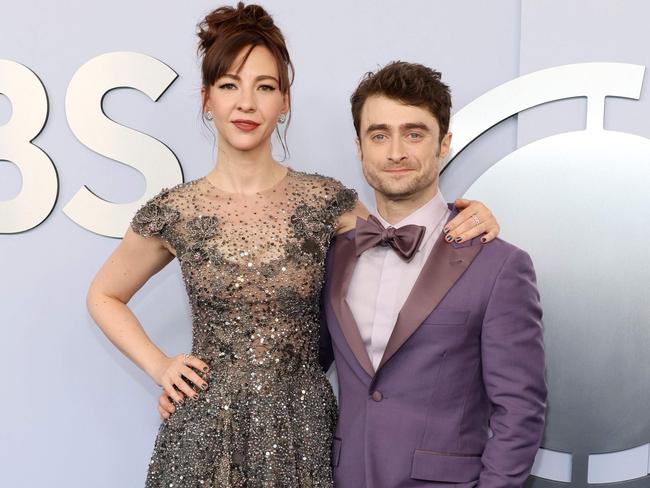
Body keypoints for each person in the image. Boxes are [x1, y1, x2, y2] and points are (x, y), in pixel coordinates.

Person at [87, 4, 499, 487]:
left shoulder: (327, 202)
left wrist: (473, 216)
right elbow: (103, 295)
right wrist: (161, 367)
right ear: (205, 99)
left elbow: (407, 238)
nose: (246, 104)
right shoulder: (176, 210)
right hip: (202, 431)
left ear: (284, 101)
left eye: (264, 87)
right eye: (229, 86)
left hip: (301, 427)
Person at [318, 62, 545, 488]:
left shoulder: (499, 266)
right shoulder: (333, 256)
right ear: (359, 146)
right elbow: (298, 363)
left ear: (444, 144)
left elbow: (520, 411)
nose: (396, 152)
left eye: (415, 133)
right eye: (379, 134)